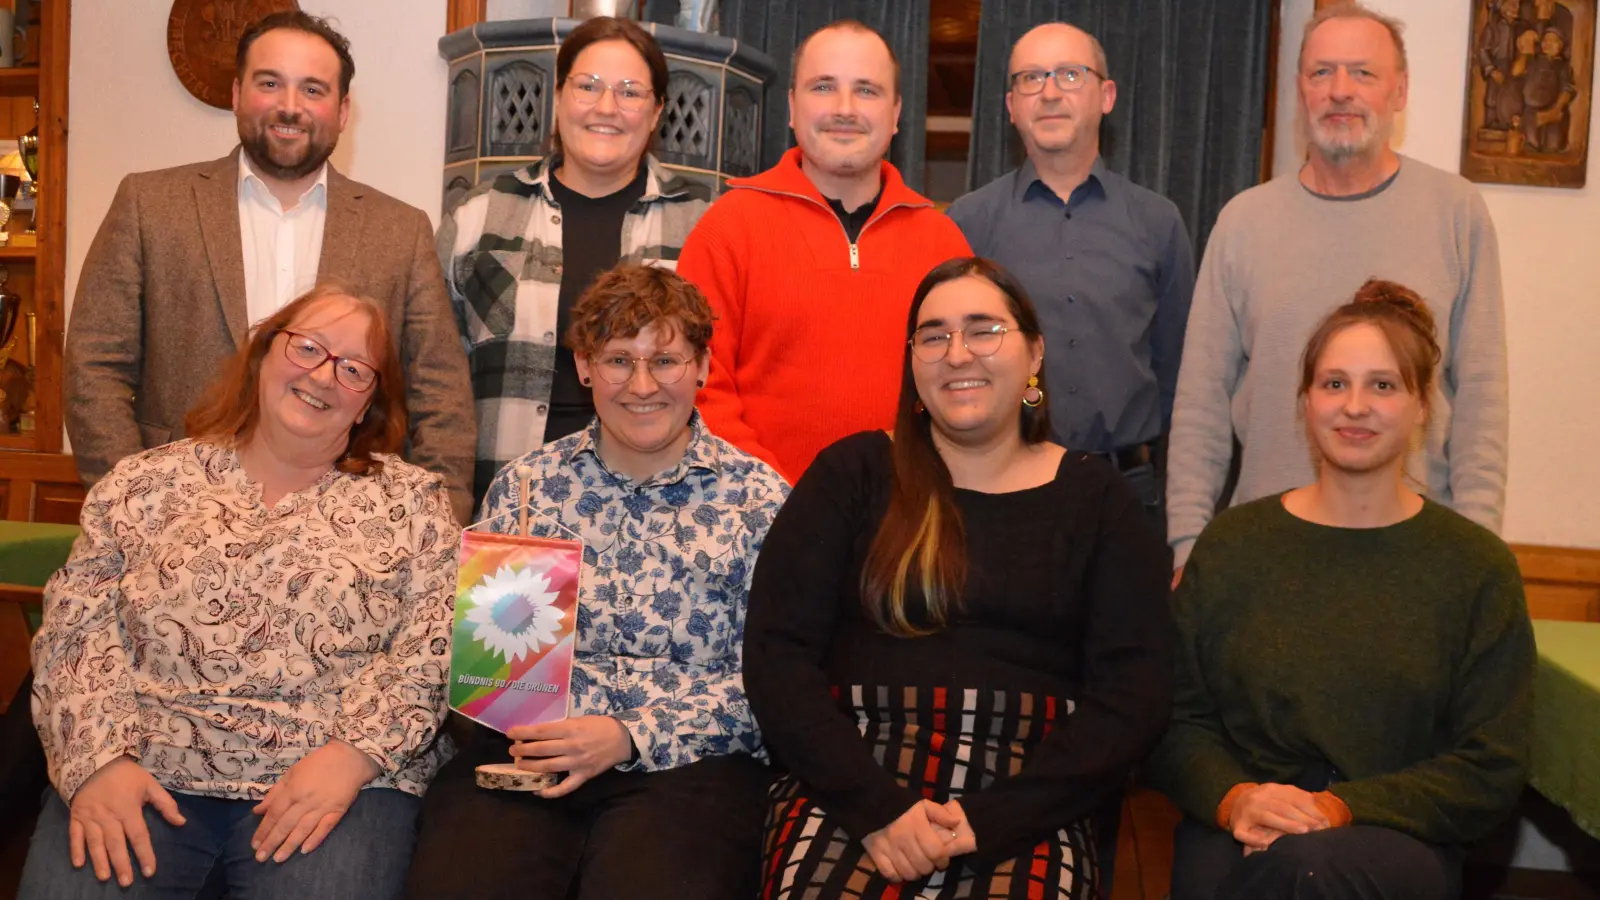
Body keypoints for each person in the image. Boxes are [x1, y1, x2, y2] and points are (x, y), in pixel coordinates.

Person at [743, 257, 1172, 899]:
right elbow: (776, 655)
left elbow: (1134, 695)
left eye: (983, 330)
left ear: (1035, 354)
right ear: (912, 360)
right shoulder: (851, 475)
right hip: (852, 781)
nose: (957, 353)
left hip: (1032, 797)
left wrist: (993, 819)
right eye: (934, 335)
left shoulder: (1098, 500)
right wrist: (875, 807)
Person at [23, 284, 460, 900]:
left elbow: (435, 644)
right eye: (308, 348)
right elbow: (75, 628)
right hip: (142, 765)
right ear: (262, 355)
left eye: (354, 369)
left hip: (338, 780)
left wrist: (353, 756)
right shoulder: (144, 484)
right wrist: (98, 763)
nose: (324, 376)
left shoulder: (414, 504)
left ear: (368, 404)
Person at [404, 263, 788, 900]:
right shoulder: (527, 490)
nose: (642, 385)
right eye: (618, 360)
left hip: (692, 766)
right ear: (584, 366)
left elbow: (778, 681)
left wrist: (629, 735)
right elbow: (489, 664)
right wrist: (509, 699)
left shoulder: (760, 501)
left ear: (702, 366)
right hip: (529, 755)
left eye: (665, 360)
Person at [1146, 279, 1533, 900]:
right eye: (1334, 384)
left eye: (1383, 385)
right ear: (1305, 401)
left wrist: (1340, 808)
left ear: (1422, 405)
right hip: (1239, 822)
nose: (1355, 406)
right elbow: (1174, 720)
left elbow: (1491, 764)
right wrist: (1234, 797)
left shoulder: (1475, 567)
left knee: (1308, 873)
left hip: (1397, 835)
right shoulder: (1233, 546)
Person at [65, 11, 474, 522]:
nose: (290, 106)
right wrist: (133, 506)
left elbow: (442, 397)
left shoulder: (401, 231)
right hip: (173, 519)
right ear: (238, 93)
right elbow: (93, 368)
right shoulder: (149, 205)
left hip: (345, 533)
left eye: (313, 89)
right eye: (270, 83)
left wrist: (436, 522)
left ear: (343, 111)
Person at [1166, 1, 1507, 576]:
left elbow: (1481, 398)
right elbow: (1201, 402)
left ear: (1399, 91)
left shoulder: (1455, 213)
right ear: (1301, 89)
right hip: (1265, 556)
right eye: (1321, 72)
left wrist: (1477, 554)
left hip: (1417, 559)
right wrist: (1188, 545)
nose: (1340, 90)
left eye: (1363, 73)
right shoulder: (1243, 222)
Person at [676, 20, 971, 483]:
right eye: (824, 86)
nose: (845, 108)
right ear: (792, 107)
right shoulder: (727, 228)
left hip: (912, 510)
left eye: (867, 90)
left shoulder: (944, 241)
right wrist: (772, 494)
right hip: (760, 511)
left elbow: (964, 388)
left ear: (896, 114)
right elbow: (696, 380)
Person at [438, 16, 710, 505]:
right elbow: (435, 381)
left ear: (656, 112)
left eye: (630, 92)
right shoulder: (478, 216)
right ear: (559, 97)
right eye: (588, 86)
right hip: (508, 509)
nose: (606, 107)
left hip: (660, 512)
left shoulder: (701, 225)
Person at [947, 22, 1193, 529]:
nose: (1050, 93)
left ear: (1107, 96)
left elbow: (1180, 373)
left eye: (1070, 74)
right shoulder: (967, 224)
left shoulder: (1158, 222)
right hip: (998, 491)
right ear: (1011, 106)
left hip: (1128, 494)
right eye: (1031, 78)